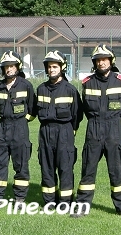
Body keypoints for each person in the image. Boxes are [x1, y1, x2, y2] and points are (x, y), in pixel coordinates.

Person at [72, 44, 121, 219]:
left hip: (114, 129)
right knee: (88, 170)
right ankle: (82, 206)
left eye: (104, 59)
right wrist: (96, 122)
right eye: (98, 60)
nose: (101, 63)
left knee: (117, 170)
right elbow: (85, 107)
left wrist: (117, 125)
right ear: (94, 62)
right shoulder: (87, 82)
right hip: (93, 129)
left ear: (111, 61)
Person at [0, 51, 36, 206]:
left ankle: (20, 198)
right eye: (6, 66)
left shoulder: (26, 85)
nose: (9, 69)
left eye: (12, 66)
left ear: (18, 67)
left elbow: (33, 109)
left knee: (21, 163)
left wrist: (23, 120)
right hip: (2, 127)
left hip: (20, 128)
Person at [36, 50, 83, 206]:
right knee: (47, 168)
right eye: (49, 67)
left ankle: (65, 202)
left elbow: (77, 114)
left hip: (64, 132)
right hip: (45, 132)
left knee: (65, 168)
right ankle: (49, 201)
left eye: (55, 66)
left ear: (62, 67)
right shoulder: (41, 89)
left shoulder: (70, 90)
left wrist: (71, 132)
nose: (51, 70)